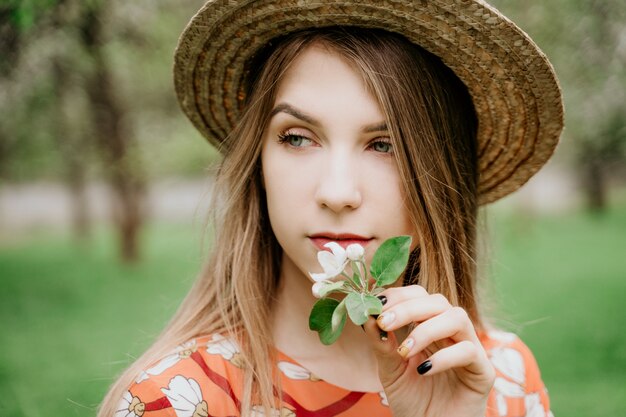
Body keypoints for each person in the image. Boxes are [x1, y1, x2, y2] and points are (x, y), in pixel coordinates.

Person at [99, 1, 563, 416]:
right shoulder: (181, 400)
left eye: (386, 145)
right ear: (257, 161)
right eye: (297, 137)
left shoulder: (506, 382)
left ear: (443, 178)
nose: (337, 192)